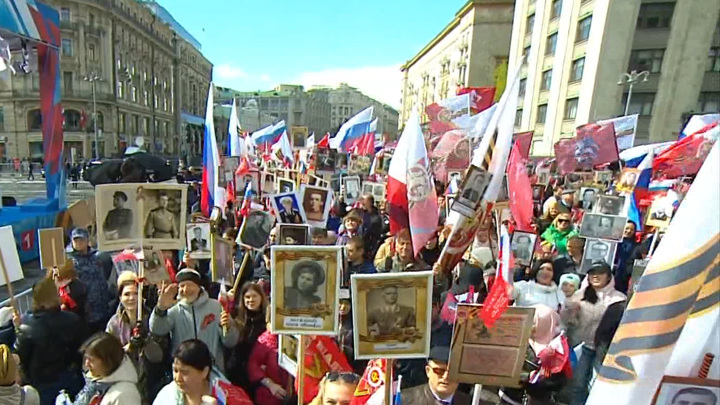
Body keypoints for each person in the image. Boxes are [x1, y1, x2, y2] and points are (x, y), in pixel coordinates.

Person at [150, 269, 239, 373]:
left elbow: (231, 342)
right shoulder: (174, 310)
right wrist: (160, 309)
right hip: (183, 372)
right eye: (182, 286)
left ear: (199, 287)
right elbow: (157, 330)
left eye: (189, 285)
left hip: (212, 371)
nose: (186, 289)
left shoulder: (216, 307)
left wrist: (228, 328)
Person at [561, 262, 626, 405]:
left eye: (600, 272)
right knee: (577, 384)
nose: (595, 276)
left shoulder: (619, 299)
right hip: (581, 346)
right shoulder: (579, 295)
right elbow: (564, 321)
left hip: (604, 349)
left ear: (609, 276)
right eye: (592, 273)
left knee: (597, 386)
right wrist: (570, 312)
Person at [14, 277, 86, 405]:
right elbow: (80, 349)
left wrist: (17, 328)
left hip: (41, 382)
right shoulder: (72, 320)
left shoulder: (27, 325)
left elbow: (20, 356)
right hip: (69, 376)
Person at [499, 305, 569, 405]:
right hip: (510, 397)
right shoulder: (518, 340)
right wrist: (527, 376)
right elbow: (504, 367)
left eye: (534, 322)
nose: (531, 325)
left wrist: (540, 378)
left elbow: (557, 381)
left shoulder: (555, 349)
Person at [153, 339, 252, 405]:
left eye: (185, 372)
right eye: (175, 370)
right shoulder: (167, 397)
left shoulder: (230, 397)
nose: (178, 378)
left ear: (204, 372)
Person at [69, 332, 141, 405]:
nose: (86, 364)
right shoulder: (96, 386)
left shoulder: (125, 394)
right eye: (86, 358)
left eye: (91, 360)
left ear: (107, 361)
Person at [67, 228, 114, 334]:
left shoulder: (96, 257)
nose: (78, 243)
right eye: (76, 240)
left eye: (81, 240)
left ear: (87, 240)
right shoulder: (70, 261)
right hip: (87, 312)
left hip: (102, 308)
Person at [227, 283, 268, 389]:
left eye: (254, 296)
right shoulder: (237, 317)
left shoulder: (267, 320)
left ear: (261, 297)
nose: (251, 300)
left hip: (257, 373)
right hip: (236, 370)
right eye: (247, 297)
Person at [401, 346, 471, 405]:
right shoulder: (403, 401)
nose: (446, 376)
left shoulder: (474, 402)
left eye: (452, 372)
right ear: (428, 371)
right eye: (439, 371)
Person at [247, 313, 291, 405]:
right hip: (269, 395)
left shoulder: (295, 339)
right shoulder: (264, 341)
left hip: (293, 394)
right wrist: (270, 385)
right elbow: (253, 366)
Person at [613, 221, 640, 295]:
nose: (628, 231)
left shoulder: (637, 246)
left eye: (632, 229)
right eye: (627, 228)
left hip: (624, 278)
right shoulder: (613, 242)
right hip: (611, 273)